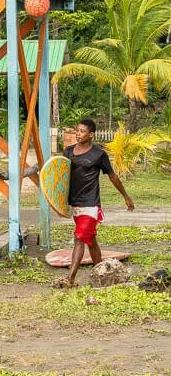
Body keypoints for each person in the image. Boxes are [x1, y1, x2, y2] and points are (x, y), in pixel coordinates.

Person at [57, 118, 134, 288]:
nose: (78, 133)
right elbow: (60, 177)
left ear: (91, 134)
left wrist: (126, 196)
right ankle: (102, 273)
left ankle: (70, 279)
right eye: (77, 130)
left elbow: (112, 176)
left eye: (82, 131)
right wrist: (59, 202)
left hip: (91, 205)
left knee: (79, 239)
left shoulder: (98, 154)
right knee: (91, 239)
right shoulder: (68, 152)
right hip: (75, 203)